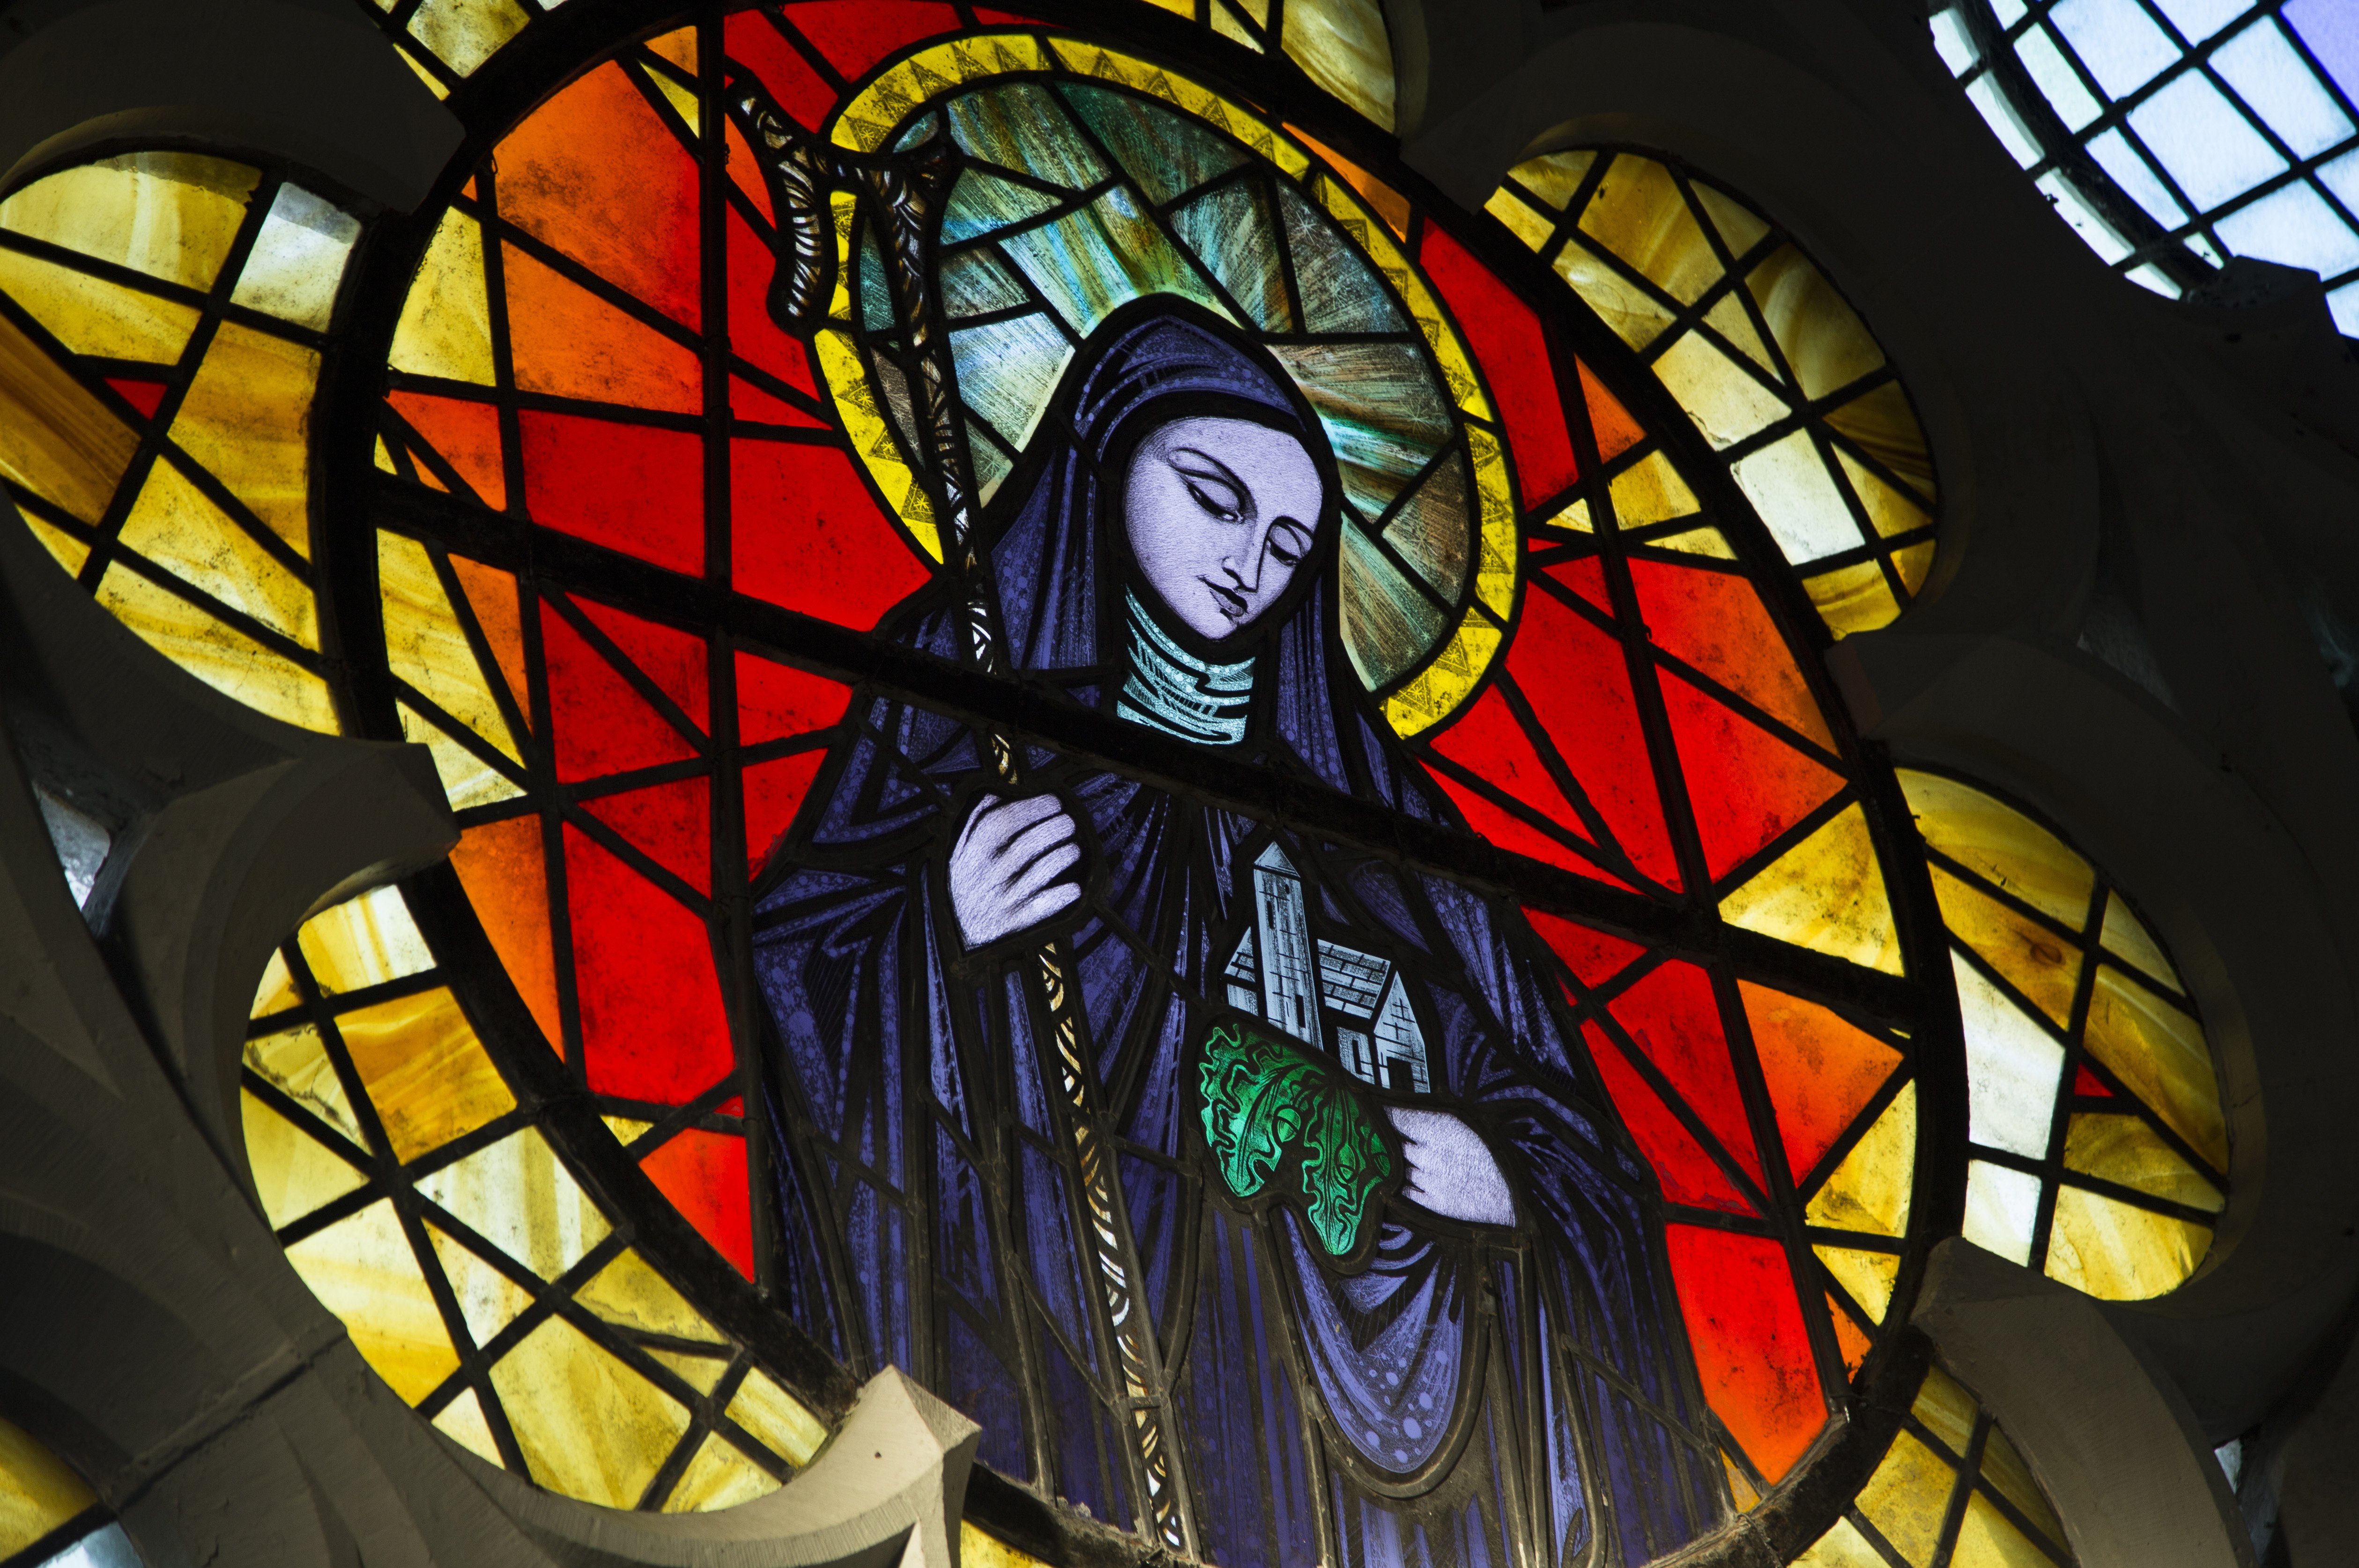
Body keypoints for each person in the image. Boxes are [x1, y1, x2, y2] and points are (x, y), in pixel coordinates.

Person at [751, 299, 1725, 1568]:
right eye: (1212, 497)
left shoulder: (1372, 813)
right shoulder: (964, 692)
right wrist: (937, 925)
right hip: (1073, 1372)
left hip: (1378, 1450)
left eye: (1287, 545)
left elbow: (1557, 1123)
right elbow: (800, 962)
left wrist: (1504, 1176)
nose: (1248, 566)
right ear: (1105, 460)